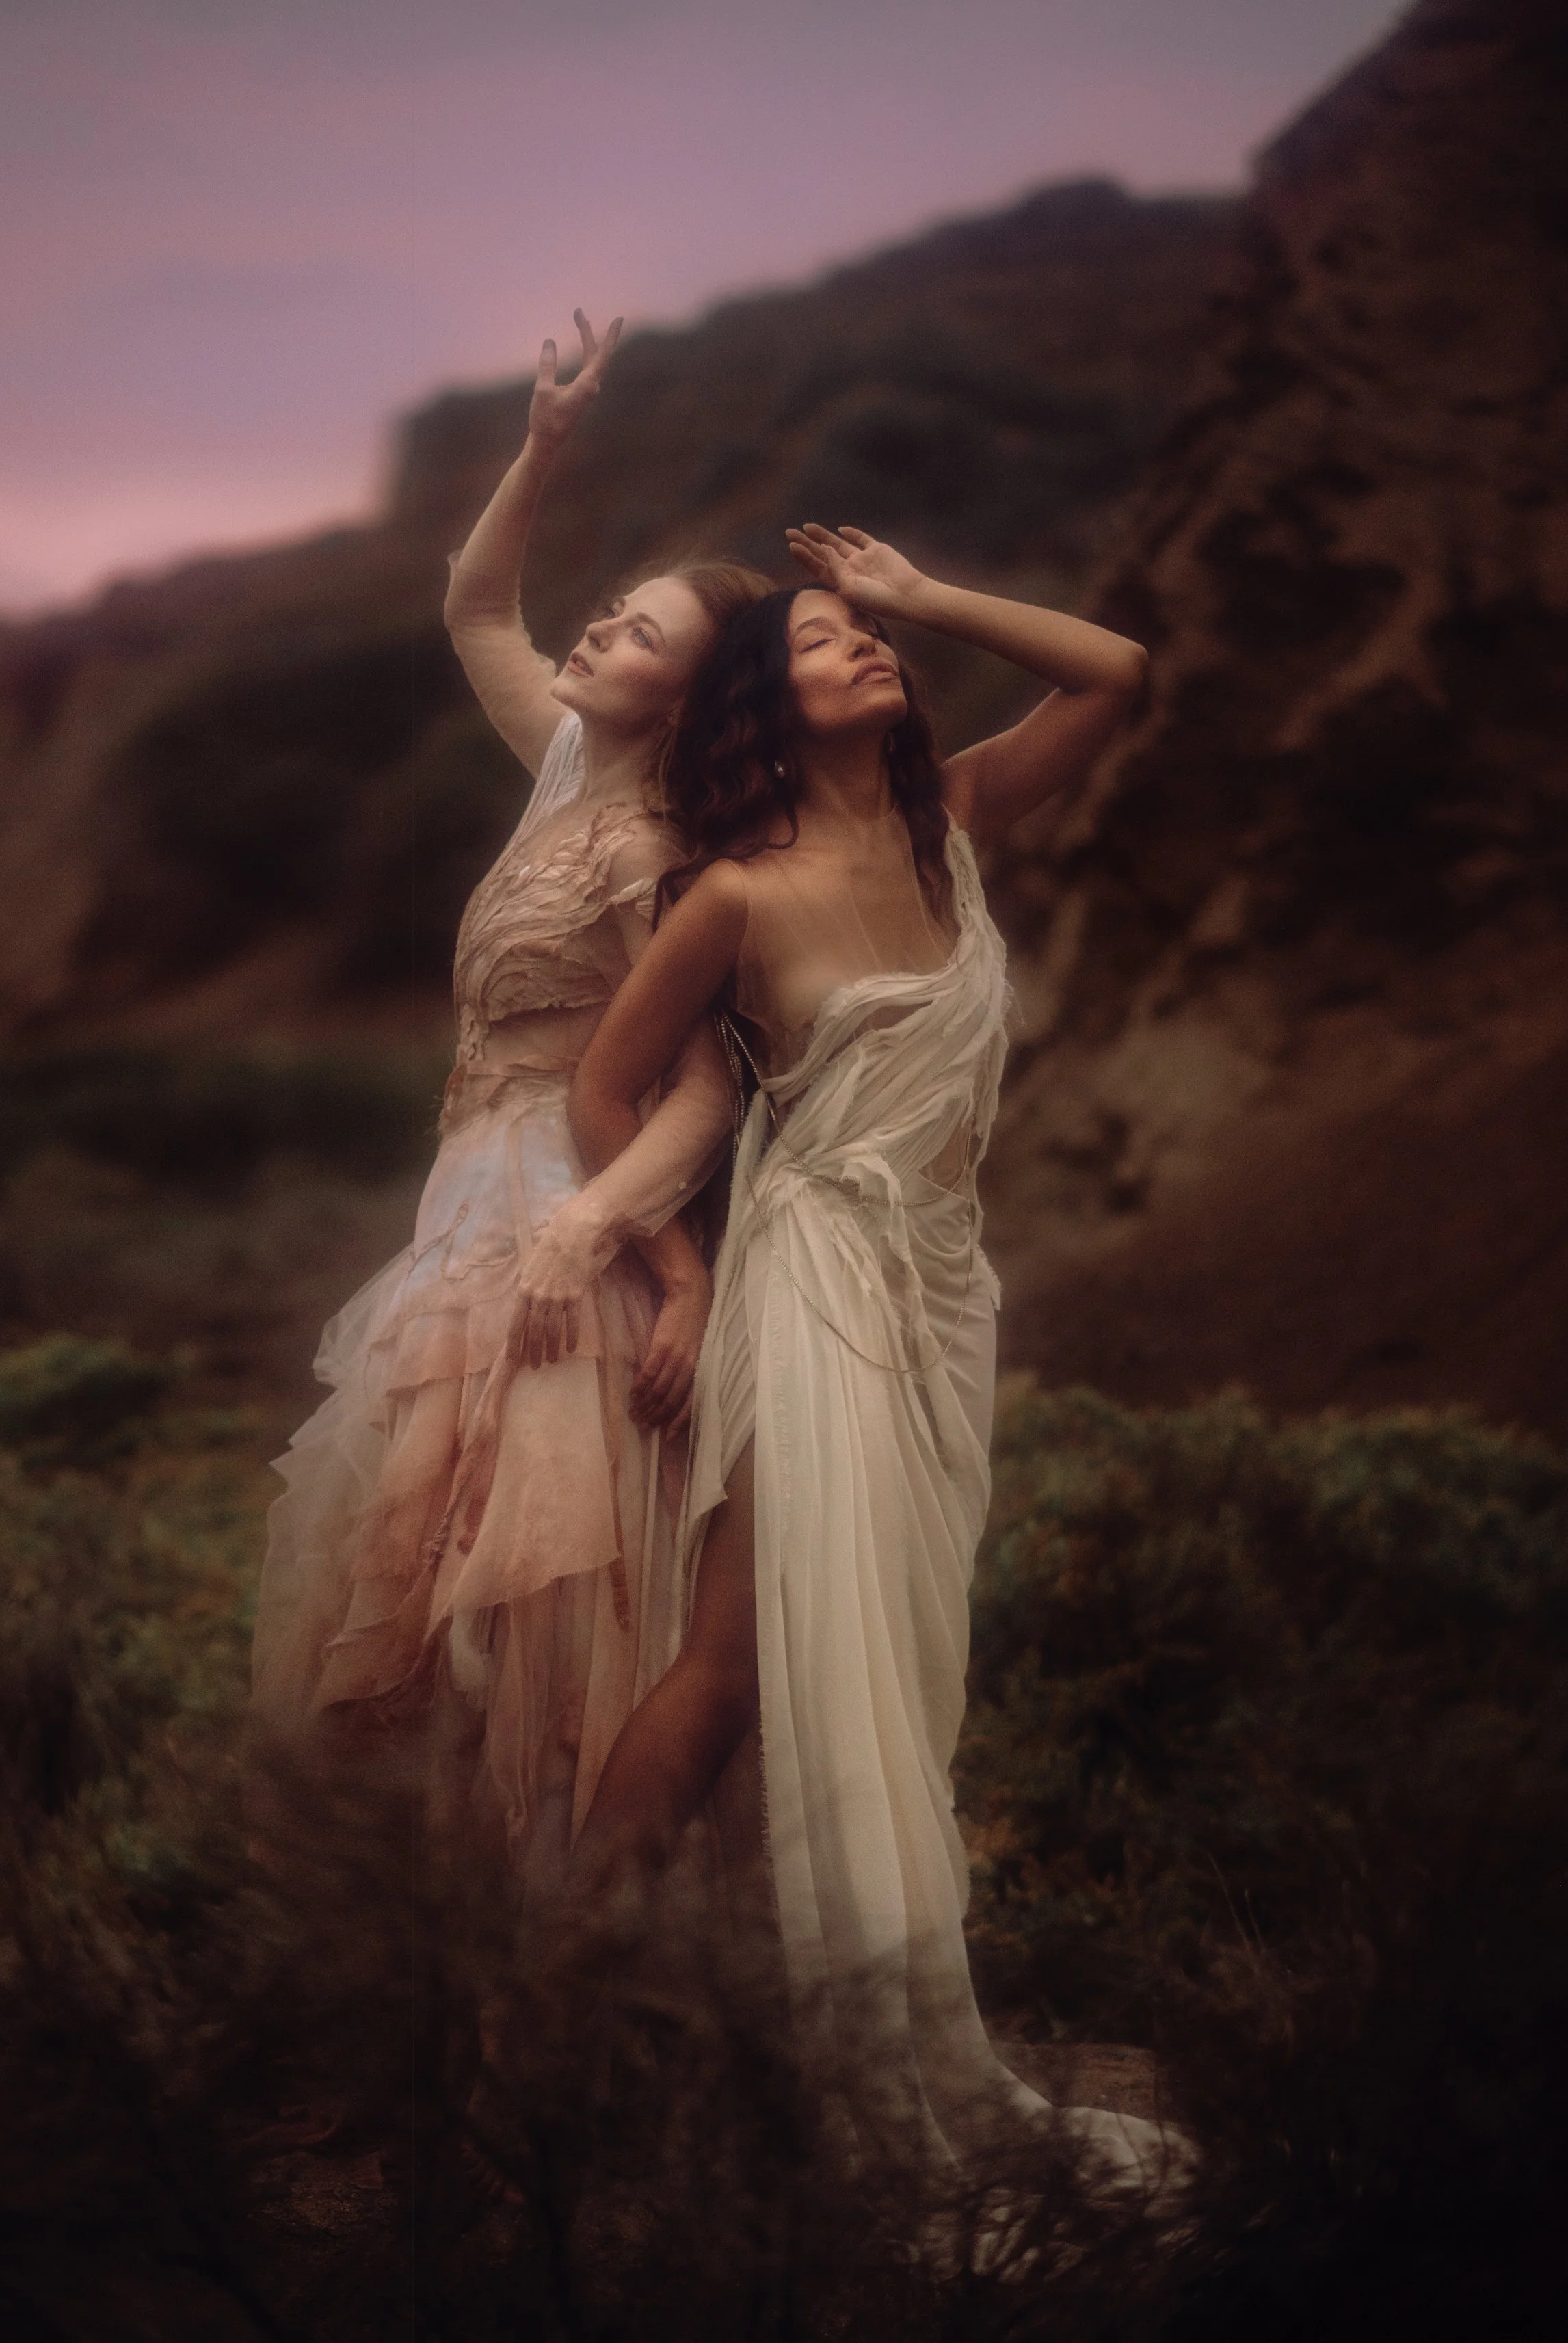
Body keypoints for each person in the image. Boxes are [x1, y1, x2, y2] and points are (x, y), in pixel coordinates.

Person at [552, 523, 1178, 2177]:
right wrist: (673, 1271)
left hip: (940, 1286)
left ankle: (832, 2001)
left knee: (894, 1658)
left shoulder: (945, 821)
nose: (867, 649)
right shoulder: (733, 895)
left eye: (870, 634)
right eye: (827, 638)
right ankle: (542, 2014)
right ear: (764, 704)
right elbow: (602, 1092)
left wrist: (919, 594)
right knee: (732, 1660)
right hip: (813, 1268)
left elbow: (1113, 674)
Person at [248, 313, 769, 1884]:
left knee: (534, 1596)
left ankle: (555, 1954)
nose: (597, 633)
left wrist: (610, 1241)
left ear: (686, 699)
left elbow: (704, 1086)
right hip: (464, 1214)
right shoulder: (562, 771)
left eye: (638, 634)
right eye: (608, 614)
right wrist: (542, 450)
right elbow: (477, 606)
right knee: (423, 1585)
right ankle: (445, 1952)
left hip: (562, 1235)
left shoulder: (659, 849)